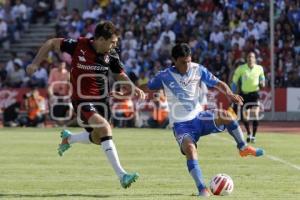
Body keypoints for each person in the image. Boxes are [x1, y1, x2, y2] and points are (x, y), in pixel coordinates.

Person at [27, 21, 145, 188]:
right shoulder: (78, 45)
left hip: (102, 102)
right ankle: (122, 175)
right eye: (112, 42)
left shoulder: (111, 55)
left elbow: (119, 74)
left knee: (99, 138)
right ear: (101, 39)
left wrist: (133, 87)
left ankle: (70, 139)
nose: (114, 45)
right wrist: (35, 63)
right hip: (82, 100)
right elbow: (51, 43)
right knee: (104, 128)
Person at [145, 43, 264, 197]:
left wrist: (229, 94)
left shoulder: (198, 69)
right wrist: (128, 89)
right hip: (181, 125)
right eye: (183, 62)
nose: (187, 65)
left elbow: (219, 83)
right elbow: (146, 87)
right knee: (190, 150)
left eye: (189, 61)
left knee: (226, 116)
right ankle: (202, 188)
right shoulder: (164, 75)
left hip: (199, 117)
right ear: (174, 60)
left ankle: (243, 147)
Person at [231, 52, 265, 143]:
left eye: (252, 57)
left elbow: (262, 78)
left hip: (254, 94)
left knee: (255, 115)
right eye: (249, 57)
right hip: (244, 95)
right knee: (244, 116)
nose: (250, 58)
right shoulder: (241, 69)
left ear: (255, 59)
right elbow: (234, 81)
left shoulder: (259, 68)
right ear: (246, 59)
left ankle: (253, 136)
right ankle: (249, 133)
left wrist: (263, 82)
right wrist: (232, 93)